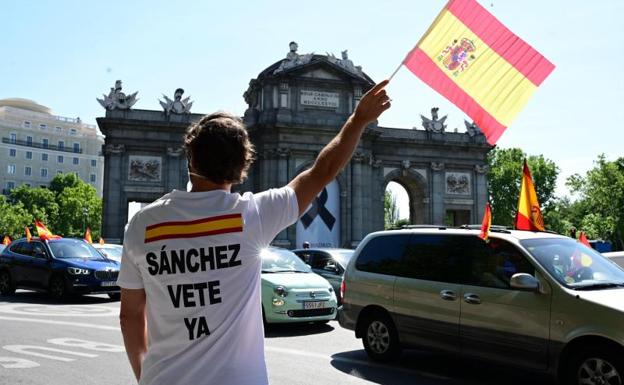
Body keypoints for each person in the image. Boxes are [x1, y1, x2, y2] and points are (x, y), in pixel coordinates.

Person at [117, 80, 391, 385]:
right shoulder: (252, 215)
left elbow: (130, 316)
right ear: (242, 166)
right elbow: (322, 171)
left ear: (190, 158)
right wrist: (358, 120)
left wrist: (147, 376)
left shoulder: (143, 224)